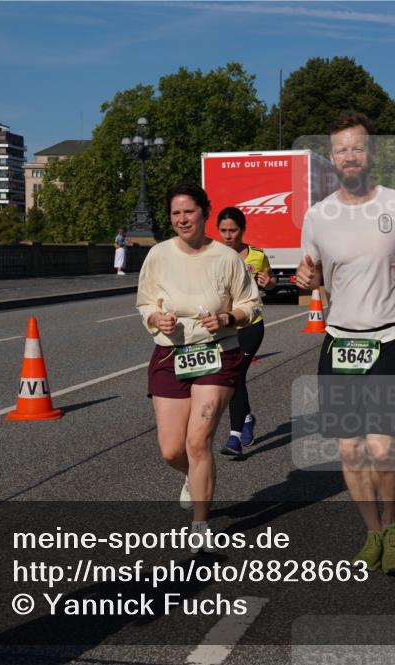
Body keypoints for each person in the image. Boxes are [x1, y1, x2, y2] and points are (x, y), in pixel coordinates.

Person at [296, 111, 395, 574]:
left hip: (391, 336)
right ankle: (373, 531)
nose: (350, 156)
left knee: (383, 449)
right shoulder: (317, 216)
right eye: (341, 149)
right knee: (351, 451)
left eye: (358, 148)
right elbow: (312, 276)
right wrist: (306, 277)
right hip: (340, 342)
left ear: (371, 153)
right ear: (333, 158)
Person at [137, 183, 262, 549]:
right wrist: (156, 318)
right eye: (175, 213)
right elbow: (145, 302)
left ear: (204, 212)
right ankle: (194, 477)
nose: (182, 219)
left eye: (188, 211)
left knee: (198, 441)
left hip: (217, 353)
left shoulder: (226, 257)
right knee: (172, 449)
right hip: (170, 354)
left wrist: (226, 317)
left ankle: (200, 525)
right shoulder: (158, 255)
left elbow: (251, 304)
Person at [215, 207, 276, 459]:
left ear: (242, 230)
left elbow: (271, 281)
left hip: (250, 326)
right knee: (232, 378)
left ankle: (235, 437)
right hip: (222, 327)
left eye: (233, 230)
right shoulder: (212, 256)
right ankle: (247, 418)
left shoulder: (257, 256)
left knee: (235, 377)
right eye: (223, 230)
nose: (228, 235)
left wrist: (269, 283)